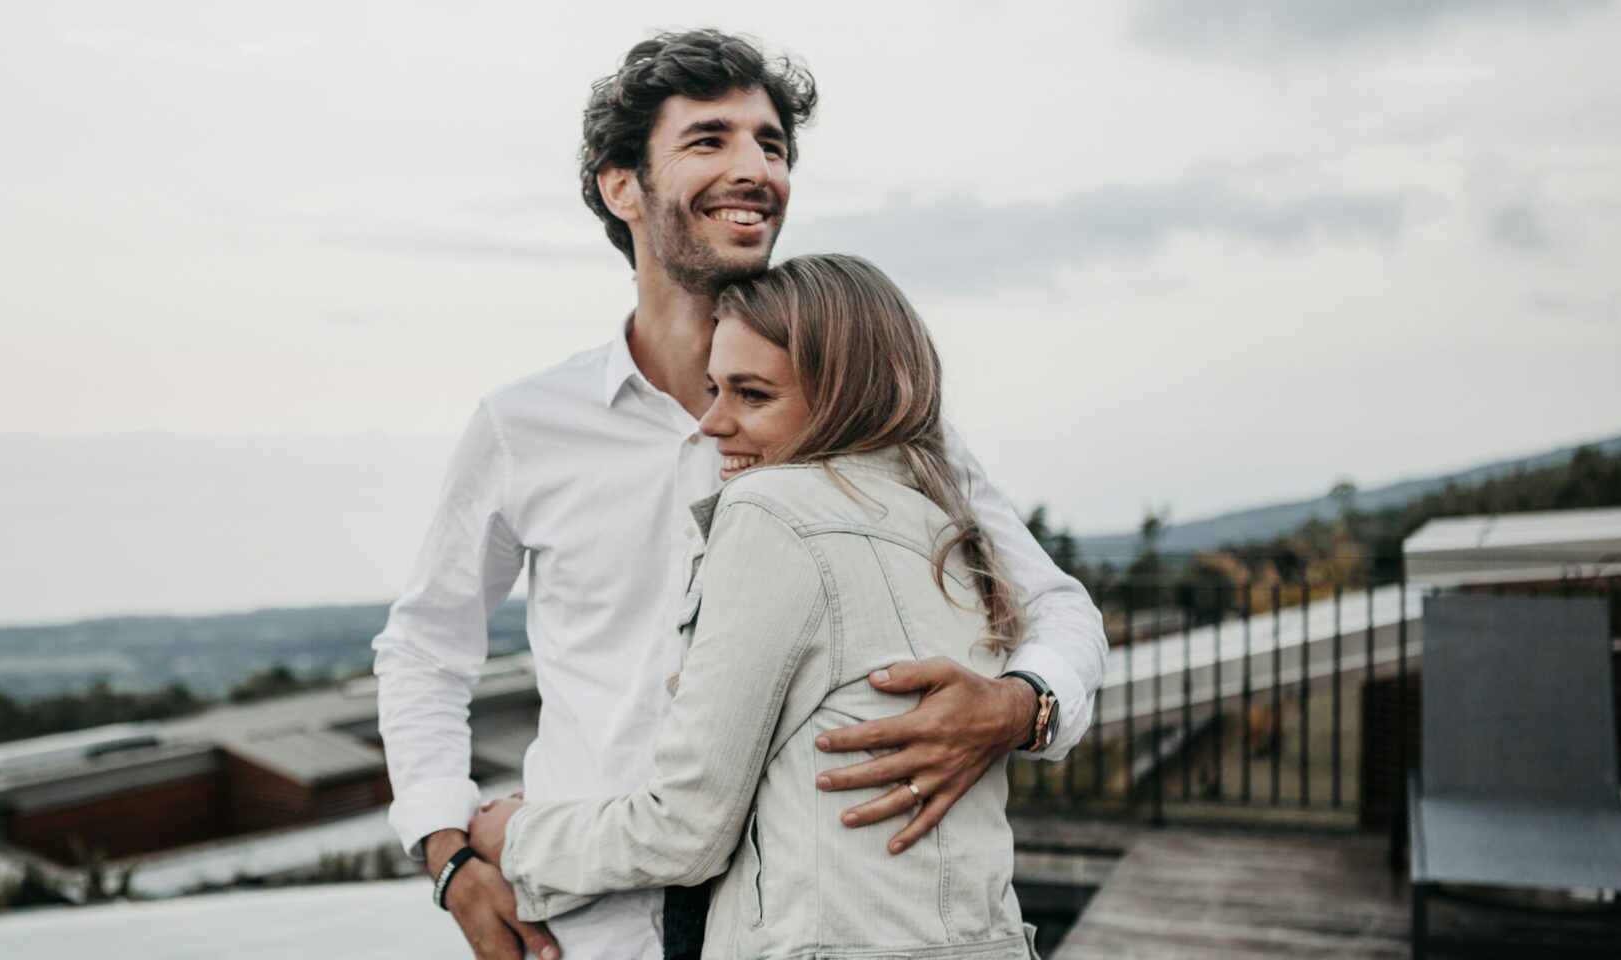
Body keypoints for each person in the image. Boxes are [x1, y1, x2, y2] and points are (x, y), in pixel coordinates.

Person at [372, 29, 1106, 960]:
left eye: (772, 145)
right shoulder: (524, 425)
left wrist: (1020, 706)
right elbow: (425, 651)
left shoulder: (867, 415)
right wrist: (446, 852)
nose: (755, 168)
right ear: (622, 186)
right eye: (710, 140)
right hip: (587, 920)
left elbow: (1055, 605)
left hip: (803, 919)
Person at [467, 252, 1044, 959]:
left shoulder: (771, 510)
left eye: (752, 395)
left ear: (844, 396)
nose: (712, 423)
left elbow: (687, 828)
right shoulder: (950, 528)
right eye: (714, 389)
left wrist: (515, 839)